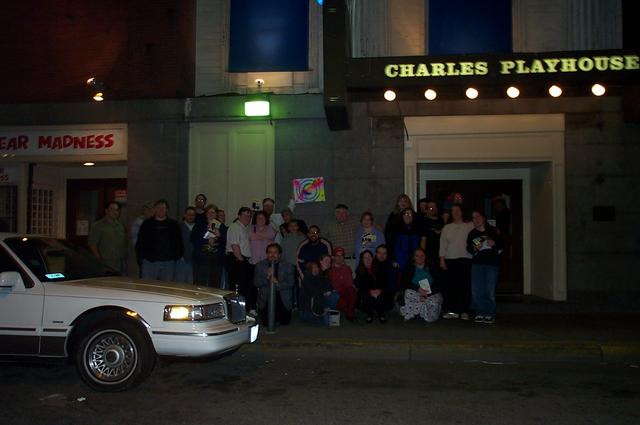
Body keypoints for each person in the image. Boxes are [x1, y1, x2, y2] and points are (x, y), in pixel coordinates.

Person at [439, 204, 474, 320]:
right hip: (450, 260)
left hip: (466, 259)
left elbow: (477, 239)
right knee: (451, 286)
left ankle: (464, 311)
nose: (456, 212)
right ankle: (452, 310)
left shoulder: (470, 225)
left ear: (462, 212)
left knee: (464, 286)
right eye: (453, 211)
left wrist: (476, 248)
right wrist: (442, 260)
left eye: (458, 210)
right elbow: (442, 245)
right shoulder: (447, 227)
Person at [467, 210, 503, 324]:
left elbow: (502, 246)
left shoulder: (493, 231)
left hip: (491, 264)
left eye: (478, 217)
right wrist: (474, 248)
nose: (476, 219)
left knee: (489, 290)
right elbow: (469, 248)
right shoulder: (472, 233)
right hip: (477, 264)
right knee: (476, 290)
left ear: (483, 218)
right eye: (473, 218)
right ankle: (479, 312)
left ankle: (490, 313)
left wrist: (494, 244)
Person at [136, 199, 183, 281]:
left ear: (167, 210)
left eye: (163, 208)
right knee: (148, 286)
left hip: (168, 263)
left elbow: (179, 243)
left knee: (166, 287)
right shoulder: (147, 224)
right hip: (149, 262)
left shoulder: (173, 224)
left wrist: (176, 257)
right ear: (154, 209)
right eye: (158, 208)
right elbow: (140, 242)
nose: (161, 210)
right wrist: (140, 259)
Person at [253, 243, 295, 326]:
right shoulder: (260, 265)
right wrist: (267, 278)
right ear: (266, 254)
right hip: (266, 298)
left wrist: (277, 283)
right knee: (266, 323)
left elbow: (291, 283)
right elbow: (256, 282)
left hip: (282, 298)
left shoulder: (288, 266)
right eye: (270, 252)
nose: (272, 255)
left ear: (279, 254)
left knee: (284, 322)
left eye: (275, 252)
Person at [400, 248, 443, 322]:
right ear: (413, 257)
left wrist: (427, 293)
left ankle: (419, 312)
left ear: (425, 257)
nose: (420, 258)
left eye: (422, 256)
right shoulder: (409, 268)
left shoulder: (432, 267)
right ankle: (419, 311)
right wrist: (418, 289)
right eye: (417, 256)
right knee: (408, 293)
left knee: (436, 299)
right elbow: (405, 283)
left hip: (430, 294)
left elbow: (438, 283)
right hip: (416, 293)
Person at [226, 207, 255, 310]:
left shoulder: (244, 228)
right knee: (237, 286)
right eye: (245, 215)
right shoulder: (234, 227)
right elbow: (234, 245)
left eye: (249, 216)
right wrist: (241, 260)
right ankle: (235, 310)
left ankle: (243, 309)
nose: (248, 218)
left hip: (242, 259)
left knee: (244, 286)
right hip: (237, 259)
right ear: (239, 216)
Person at [88, 201, 127, 275]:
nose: (115, 212)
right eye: (112, 209)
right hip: (107, 262)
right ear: (106, 211)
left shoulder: (120, 225)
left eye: (117, 210)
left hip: (121, 261)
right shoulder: (98, 226)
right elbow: (92, 244)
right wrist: (99, 260)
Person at [191, 204, 224, 287]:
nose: (211, 214)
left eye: (213, 212)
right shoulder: (199, 225)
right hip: (201, 257)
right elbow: (193, 239)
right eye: (209, 212)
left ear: (216, 214)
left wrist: (219, 236)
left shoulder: (221, 226)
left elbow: (226, 240)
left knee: (215, 283)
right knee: (200, 282)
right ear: (206, 214)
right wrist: (207, 240)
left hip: (216, 258)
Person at [354, 250, 386, 323]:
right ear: (362, 260)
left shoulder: (378, 268)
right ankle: (370, 314)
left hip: (378, 291)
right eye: (365, 257)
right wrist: (370, 291)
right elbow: (359, 284)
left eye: (369, 257)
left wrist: (379, 290)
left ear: (372, 258)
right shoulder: (359, 271)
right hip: (366, 292)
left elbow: (383, 282)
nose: (368, 259)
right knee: (368, 296)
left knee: (381, 295)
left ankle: (381, 314)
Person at [329, 247, 357, 321]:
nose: (340, 258)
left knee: (351, 290)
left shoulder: (347, 268)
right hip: (335, 294)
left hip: (345, 292)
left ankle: (350, 314)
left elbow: (349, 284)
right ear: (333, 257)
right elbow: (331, 286)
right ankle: (346, 310)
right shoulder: (330, 269)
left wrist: (344, 268)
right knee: (343, 303)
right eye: (337, 256)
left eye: (341, 256)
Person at [384, 194, 414, 259]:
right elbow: (388, 231)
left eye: (405, 201)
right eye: (401, 201)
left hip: (409, 244)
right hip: (395, 244)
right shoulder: (393, 215)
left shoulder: (414, 215)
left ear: (409, 203)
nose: (403, 203)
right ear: (398, 203)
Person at [130, 201, 155, 275]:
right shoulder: (139, 223)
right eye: (150, 210)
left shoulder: (153, 222)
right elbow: (136, 243)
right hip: (145, 257)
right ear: (145, 210)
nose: (152, 213)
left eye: (153, 210)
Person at [373, 244, 400, 312]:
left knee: (385, 304)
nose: (381, 255)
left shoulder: (391, 266)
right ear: (376, 254)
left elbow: (392, 285)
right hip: (373, 291)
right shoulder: (371, 264)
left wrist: (381, 291)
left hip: (386, 292)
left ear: (387, 255)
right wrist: (372, 290)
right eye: (379, 253)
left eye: (384, 253)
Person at [175, 206, 196, 283]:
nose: (191, 217)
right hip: (181, 260)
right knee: (180, 283)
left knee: (192, 282)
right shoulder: (178, 227)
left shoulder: (197, 227)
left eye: (193, 215)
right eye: (189, 214)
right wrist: (179, 255)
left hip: (194, 260)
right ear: (184, 215)